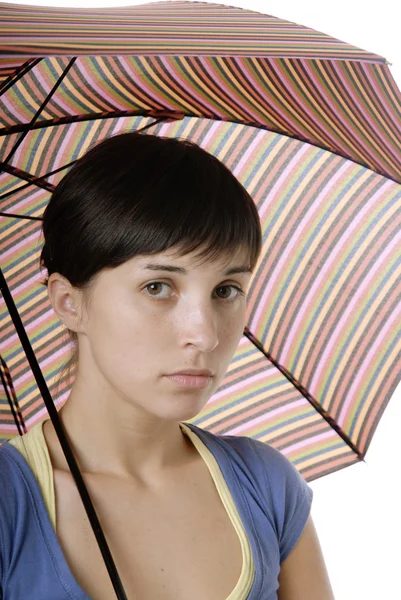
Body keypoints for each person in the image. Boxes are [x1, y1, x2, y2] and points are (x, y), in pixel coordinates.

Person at [0, 132, 335, 599]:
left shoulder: (266, 485)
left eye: (226, 290)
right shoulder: (9, 503)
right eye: (158, 287)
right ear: (68, 302)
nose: (205, 333)